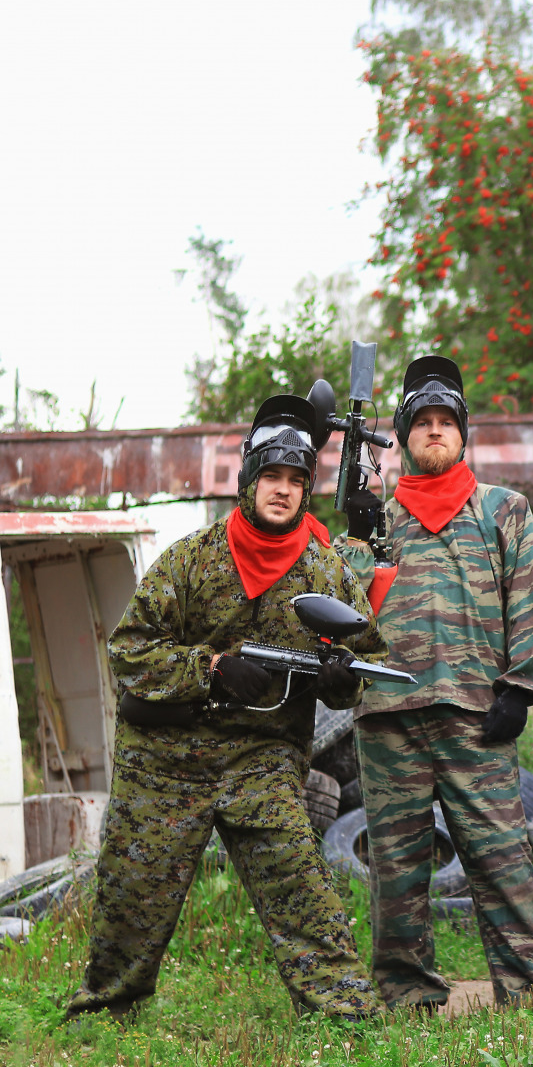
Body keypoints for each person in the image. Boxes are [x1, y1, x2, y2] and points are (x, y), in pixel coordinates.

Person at [68, 395, 382, 1021]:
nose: (283, 491)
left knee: (302, 884)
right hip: (164, 759)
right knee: (133, 899)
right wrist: (208, 669)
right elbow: (129, 650)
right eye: (272, 477)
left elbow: (358, 671)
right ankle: (104, 1013)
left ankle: (347, 1018)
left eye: (297, 481)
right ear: (248, 479)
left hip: (260, 758)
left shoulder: (326, 574)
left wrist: (339, 675)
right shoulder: (192, 559)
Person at [343, 355, 533, 1009]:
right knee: (398, 873)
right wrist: (353, 540)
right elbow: (343, 607)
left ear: (464, 435)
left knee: (502, 862)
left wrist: (521, 690)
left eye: (447, 422)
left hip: (476, 713)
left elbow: (528, 597)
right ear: (404, 437)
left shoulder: (504, 509)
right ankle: (409, 1000)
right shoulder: (375, 516)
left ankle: (531, 994)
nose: (435, 431)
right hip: (387, 714)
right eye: (422, 423)